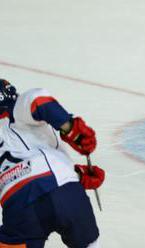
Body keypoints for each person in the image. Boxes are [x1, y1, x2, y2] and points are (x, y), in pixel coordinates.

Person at [0, 79, 105, 247]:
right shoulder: (15, 111)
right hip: (64, 191)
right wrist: (72, 130)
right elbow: (38, 100)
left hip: (19, 209)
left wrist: (77, 174)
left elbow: (19, 171)